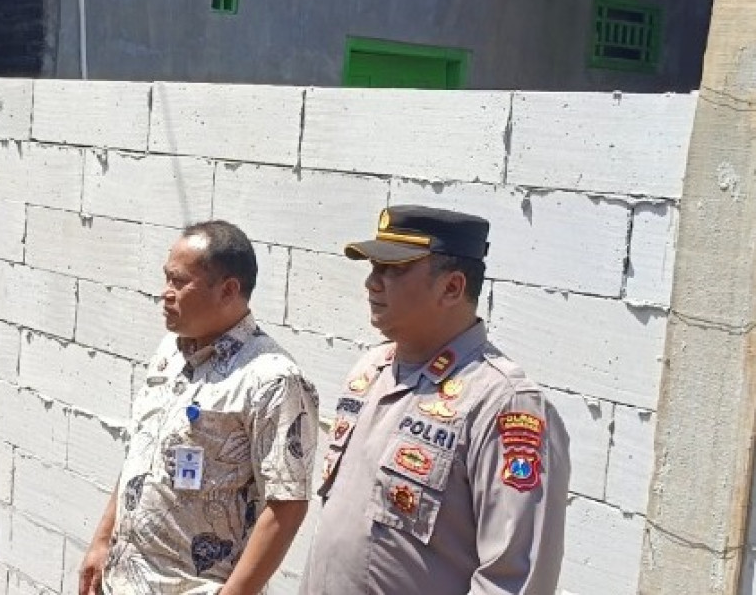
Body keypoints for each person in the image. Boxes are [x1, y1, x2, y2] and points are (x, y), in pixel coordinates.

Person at [298, 205, 571, 594]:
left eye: (394, 270)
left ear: (452, 288)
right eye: (373, 268)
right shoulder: (372, 369)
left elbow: (514, 579)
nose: (373, 283)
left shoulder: (502, 403)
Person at [79, 220, 321, 595]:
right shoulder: (169, 353)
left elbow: (286, 506)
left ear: (228, 290)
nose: (166, 293)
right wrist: (103, 539)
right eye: (166, 279)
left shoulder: (272, 379)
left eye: (179, 282)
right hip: (122, 580)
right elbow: (140, 457)